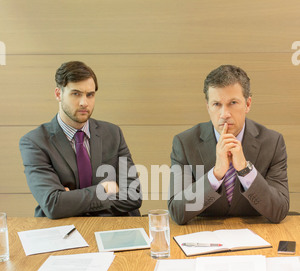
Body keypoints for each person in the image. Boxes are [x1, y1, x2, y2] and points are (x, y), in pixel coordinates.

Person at [168, 65, 289, 225]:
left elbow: (279, 210)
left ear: (248, 104)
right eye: (216, 104)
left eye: (233, 102)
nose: (224, 114)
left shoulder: (273, 142)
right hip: (203, 234)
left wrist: (245, 170)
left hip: (256, 234)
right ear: (208, 106)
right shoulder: (184, 143)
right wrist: (216, 174)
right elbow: (177, 212)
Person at [19, 61, 142, 219]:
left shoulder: (113, 133)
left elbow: (134, 195)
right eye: (76, 93)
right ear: (58, 94)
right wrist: (104, 189)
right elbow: (53, 204)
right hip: (62, 232)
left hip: (112, 229)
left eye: (90, 95)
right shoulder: (35, 142)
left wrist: (71, 201)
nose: (84, 102)